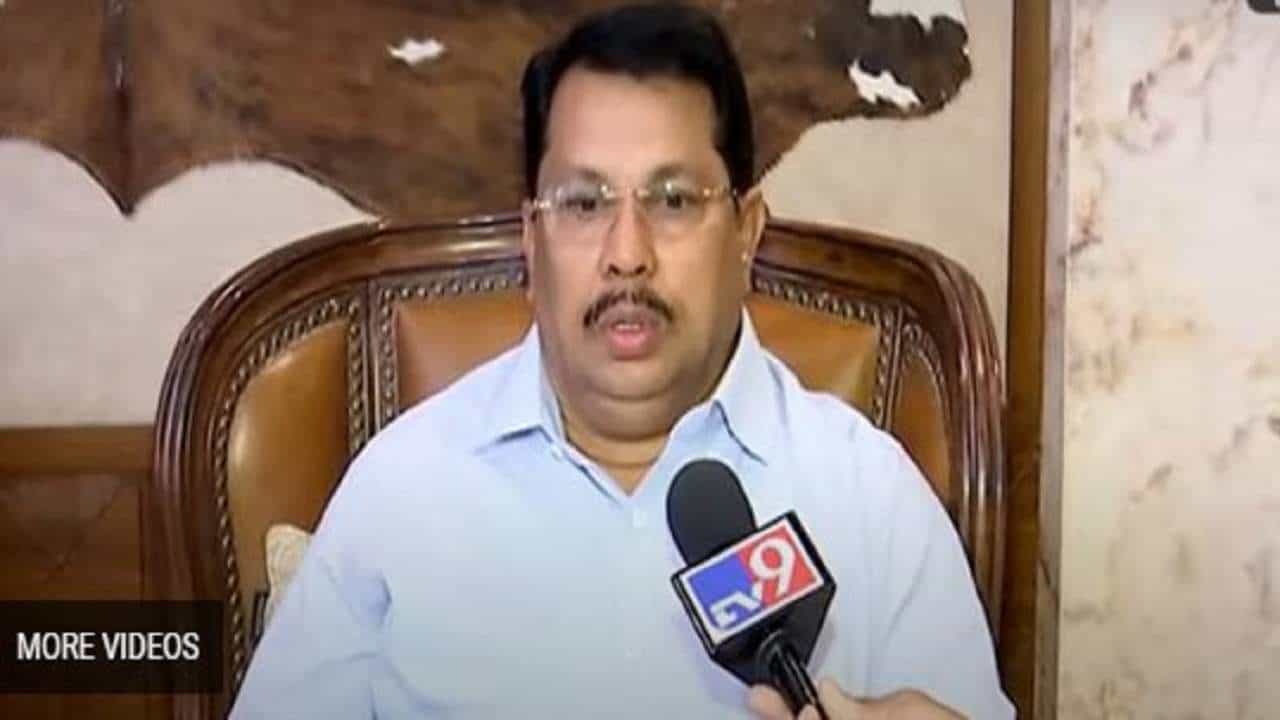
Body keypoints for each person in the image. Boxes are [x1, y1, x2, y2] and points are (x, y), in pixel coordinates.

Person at [230, 3, 1014, 718]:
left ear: (746, 233)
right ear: (531, 241)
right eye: (583, 203)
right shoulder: (400, 487)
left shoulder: (871, 497)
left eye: (672, 200)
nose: (627, 254)